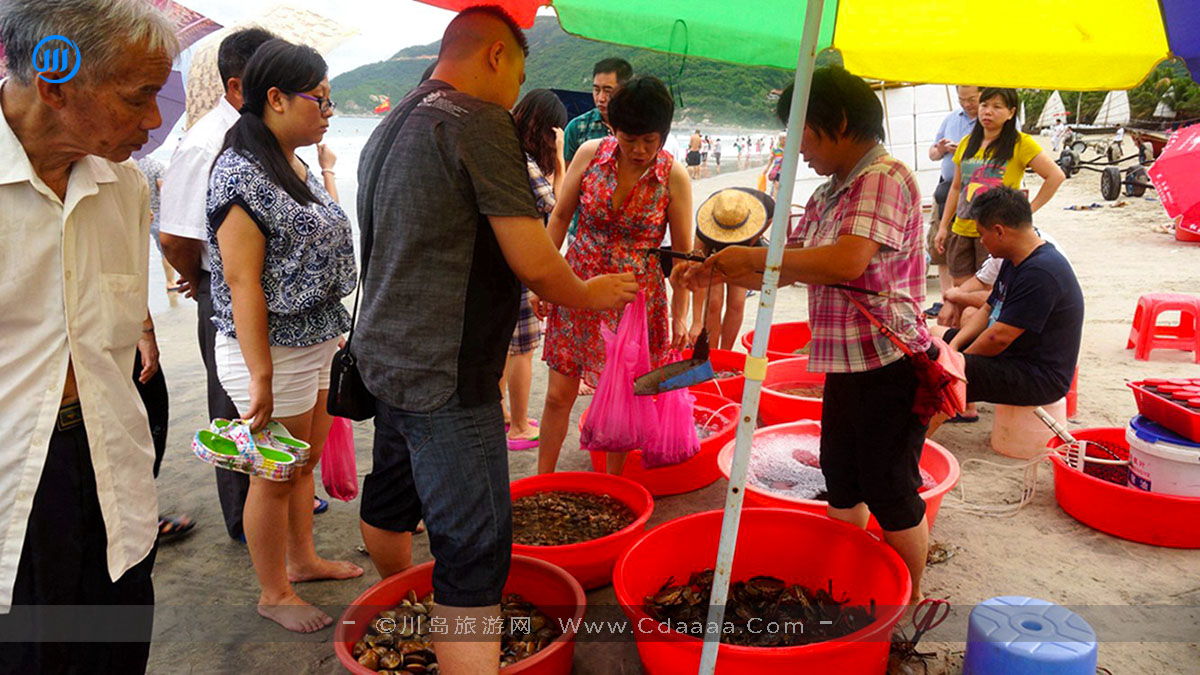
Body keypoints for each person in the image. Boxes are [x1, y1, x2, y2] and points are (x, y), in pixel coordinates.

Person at [352, 8, 638, 672]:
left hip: (382, 358)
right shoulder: (478, 122)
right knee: (475, 555)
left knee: (391, 500)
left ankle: (402, 601)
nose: (517, 84)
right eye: (521, 66)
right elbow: (534, 259)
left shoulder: (390, 120)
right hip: (447, 377)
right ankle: (456, 626)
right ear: (493, 57)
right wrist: (591, 292)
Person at [687, 67, 933, 605]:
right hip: (846, 365)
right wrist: (716, 269)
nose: (799, 152)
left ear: (837, 123)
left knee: (891, 490)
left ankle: (909, 601)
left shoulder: (884, 177)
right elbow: (786, 268)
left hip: (890, 363)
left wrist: (755, 255)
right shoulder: (827, 194)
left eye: (804, 135)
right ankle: (849, 581)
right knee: (841, 477)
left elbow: (846, 260)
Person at [0, 0, 178, 670]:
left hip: (111, 474)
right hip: (13, 484)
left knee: (111, 651)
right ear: (54, 82)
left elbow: (114, 330)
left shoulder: (124, 187)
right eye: (138, 97)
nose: (154, 119)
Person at [206, 38, 362, 633]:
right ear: (275, 98)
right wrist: (261, 375)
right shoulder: (239, 173)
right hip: (272, 349)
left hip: (317, 337)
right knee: (273, 476)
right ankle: (273, 591)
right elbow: (243, 282)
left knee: (303, 464)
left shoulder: (292, 162)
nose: (328, 110)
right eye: (320, 99)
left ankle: (303, 559)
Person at [535, 74, 694, 476]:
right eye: (629, 139)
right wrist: (541, 280)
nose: (640, 150)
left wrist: (680, 313)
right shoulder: (590, 155)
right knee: (558, 395)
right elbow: (559, 217)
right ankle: (543, 478)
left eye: (650, 141)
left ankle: (613, 483)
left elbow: (680, 259)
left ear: (663, 135)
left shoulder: (673, 176)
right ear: (612, 129)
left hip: (634, 301)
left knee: (626, 396)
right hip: (578, 287)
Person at [160, 27, 277, 542]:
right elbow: (174, 235)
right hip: (222, 288)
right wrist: (197, 277)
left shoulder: (258, 136)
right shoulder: (206, 142)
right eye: (268, 84)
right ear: (236, 88)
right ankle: (242, 519)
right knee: (234, 405)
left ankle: (271, 502)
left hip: (257, 286)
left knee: (261, 399)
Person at [931, 187, 1083, 432]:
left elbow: (998, 338)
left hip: (1039, 376)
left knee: (937, 372)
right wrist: (955, 345)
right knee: (933, 337)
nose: (981, 241)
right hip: (1016, 355)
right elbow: (988, 309)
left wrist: (958, 359)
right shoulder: (1016, 258)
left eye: (982, 234)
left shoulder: (1041, 272)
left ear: (999, 231)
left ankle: (912, 449)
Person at [934, 88, 1065, 290]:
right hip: (963, 228)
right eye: (984, 105)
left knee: (990, 290)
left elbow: (1055, 176)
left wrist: (1027, 211)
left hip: (997, 233)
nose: (988, 111)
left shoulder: (1021, 143)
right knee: (960, 286)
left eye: (997, 107)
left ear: (1011, 113)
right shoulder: (967, 143)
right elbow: (956, 187)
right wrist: (943, 226)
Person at [503, 88, 568, 450]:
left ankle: (504, 415)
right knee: (522, 350)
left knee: (504, 348)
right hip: (521, 265)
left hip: (504, 263)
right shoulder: (525, 161)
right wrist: (560, 162)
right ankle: (518, 428)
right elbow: (555, 207)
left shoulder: (505, 150)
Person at [925, 85, 979, 317]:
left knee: (972, 249)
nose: (966, 104)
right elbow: (932, 154)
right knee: (942, 246)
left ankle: (968, 301)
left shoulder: (991, 119)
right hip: (947, 191)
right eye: (962, 99)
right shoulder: (951, 118)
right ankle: (946, 298)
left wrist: (965, 153)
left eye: (972, 99)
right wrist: (940, 149)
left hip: (976, 193)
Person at [135, 154, 178, 292]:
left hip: (135, 214)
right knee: (164, 250)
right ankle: (170, 281)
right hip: (157, 212)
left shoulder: (128, 167)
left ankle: (137, 287)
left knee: (136, 252)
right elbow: (163, 189)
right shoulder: (155, 165)